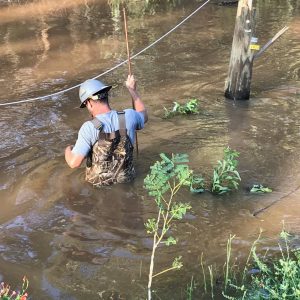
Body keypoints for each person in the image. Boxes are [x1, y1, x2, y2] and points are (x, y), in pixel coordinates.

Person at [65, 75, 148, 186]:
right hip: (126, 182)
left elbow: (74, 163)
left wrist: (68, 149)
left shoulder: (89, 128)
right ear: (106, 96)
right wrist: (132, 90)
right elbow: (143, 115)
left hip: (98, 189)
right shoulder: (129, 116)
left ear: (89, 103)